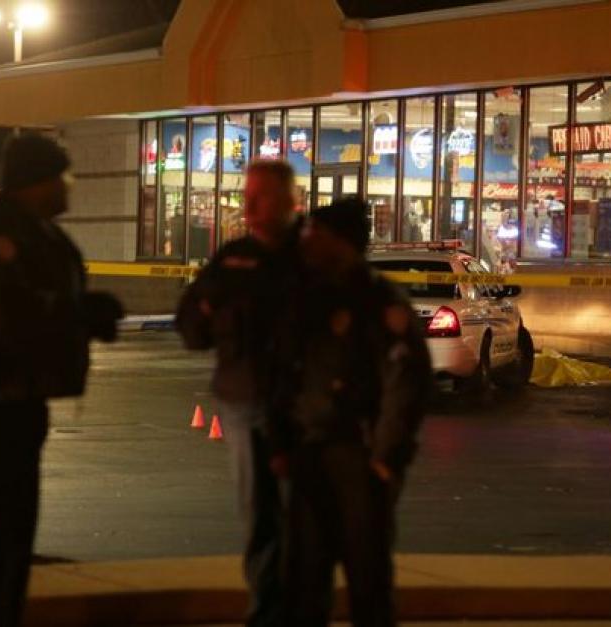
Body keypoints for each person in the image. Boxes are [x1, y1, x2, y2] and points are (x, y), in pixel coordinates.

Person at [0, 134, 123, 627]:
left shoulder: (40, 234)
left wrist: (82, 317)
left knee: (13, 534)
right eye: (63, 176)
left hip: (20, 398)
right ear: (37, 181)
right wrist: (78, 313)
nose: (69, 186)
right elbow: (2, 318)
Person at [268, 197, 432, 627]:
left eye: (315, 233)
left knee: (368, 582)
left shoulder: (377, 302)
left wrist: (385, 459)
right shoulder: (305, 297)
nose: (305, 241)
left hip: (359, 459)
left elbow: (406, 384)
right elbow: (282, 376)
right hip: (308, 455)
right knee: (303, 583)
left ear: (339, 241)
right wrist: (280, 442)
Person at [176, 159, 300, 627]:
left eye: (260, 195)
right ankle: (267, 612)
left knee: (301, 518)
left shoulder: (311, 260)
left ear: (290, 201)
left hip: (302, 407)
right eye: (246, 194)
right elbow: (190, 322)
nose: (247, 205)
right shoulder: (232, 259)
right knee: (260, 515)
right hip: (244, 403)